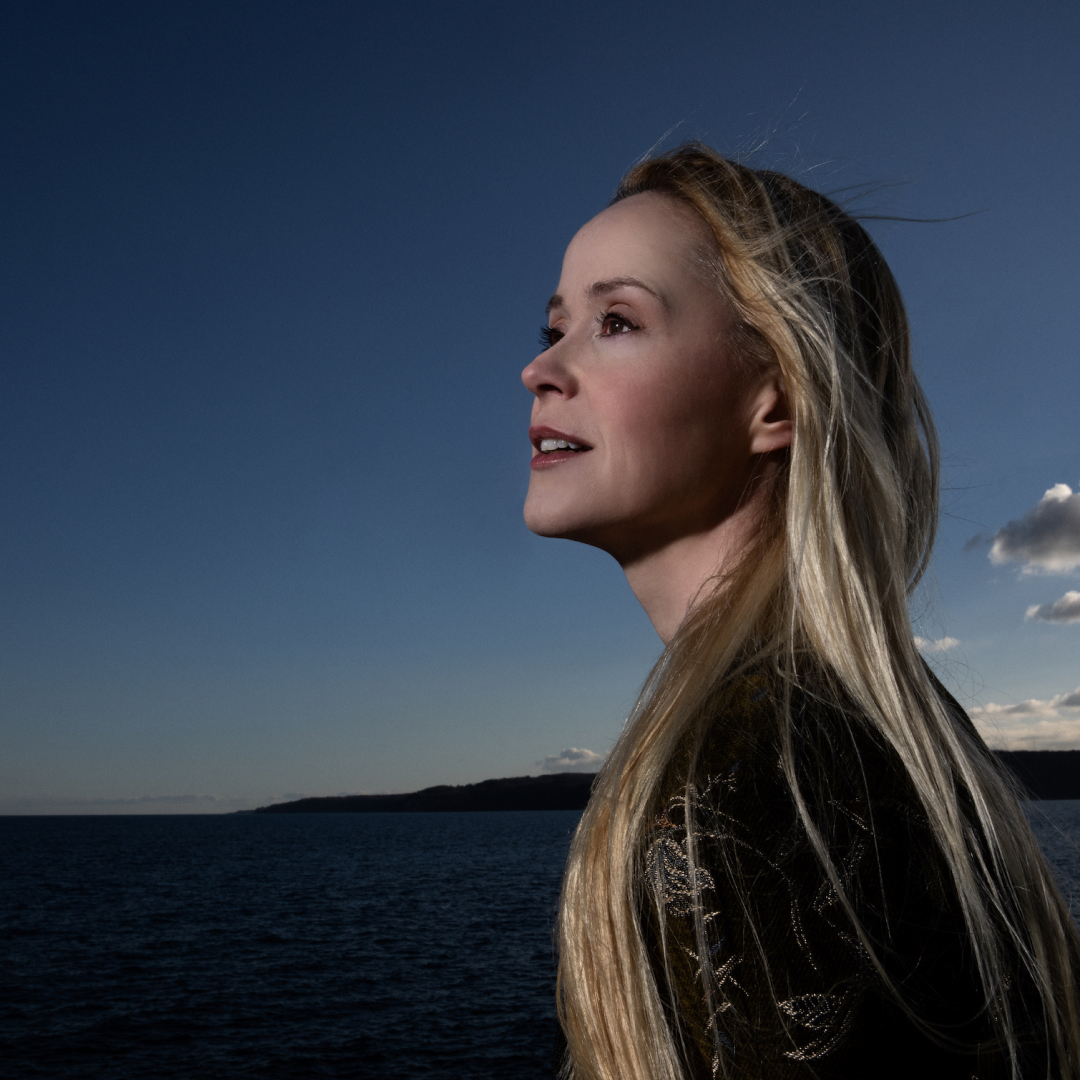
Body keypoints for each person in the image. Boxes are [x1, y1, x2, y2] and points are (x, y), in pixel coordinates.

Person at [521, 144, 1080, 1080]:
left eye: (616, 321)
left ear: (773, 398)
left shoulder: (749, 772)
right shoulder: (845, 722)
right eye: (554, 326)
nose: (540, 368)